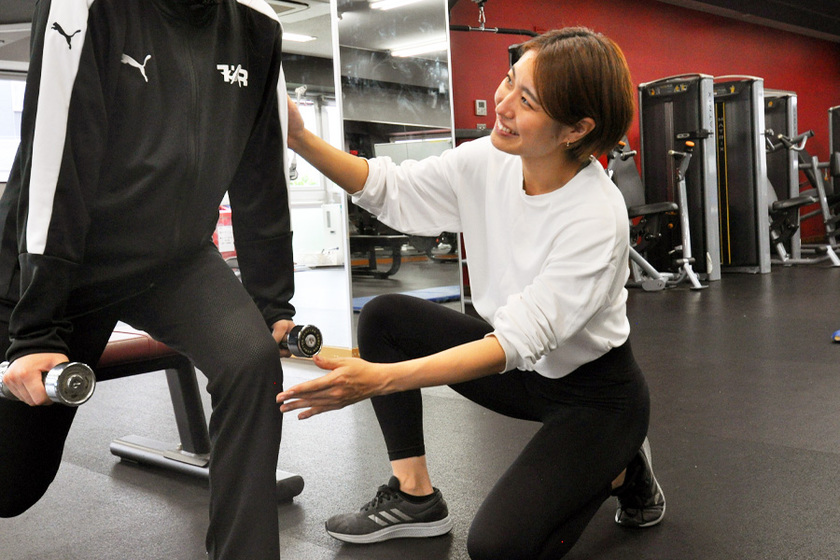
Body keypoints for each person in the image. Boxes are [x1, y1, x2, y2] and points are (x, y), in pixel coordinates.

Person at [278, 27, 666, 559]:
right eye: (509, 81)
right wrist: (300, 137)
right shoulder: (489, 159)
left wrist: (379, 380)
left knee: (496, 548)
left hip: (596, 397)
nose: (502, 103)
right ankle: (414, 495)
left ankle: (622, 466)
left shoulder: (597, 217)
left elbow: (516, 342)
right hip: (521, 372)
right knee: (386, 317)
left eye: (525, 100)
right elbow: (389, 188)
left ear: (576, 128)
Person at [0, 1, 296, 558]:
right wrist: (36, 330)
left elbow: (261, 166)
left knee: (250, 362)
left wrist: (271, 298)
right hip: (59, 259)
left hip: (172, 262)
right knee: (12, 487)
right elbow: (54, 159)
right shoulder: (86, 6)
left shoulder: (257, 26)